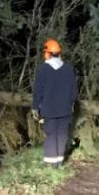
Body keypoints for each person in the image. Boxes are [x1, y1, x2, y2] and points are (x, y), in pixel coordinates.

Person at [32, 39, 78, 168]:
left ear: (47, 54)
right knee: (62, 134)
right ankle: (59, 161)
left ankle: (50, 163)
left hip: (49, 109)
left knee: (51, 134)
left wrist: (35, 107)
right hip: (65, 109)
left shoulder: (43, 69)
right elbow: (74, 92)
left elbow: (38, 91)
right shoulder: (69, 69)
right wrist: (71, 103)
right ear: (59, 53)